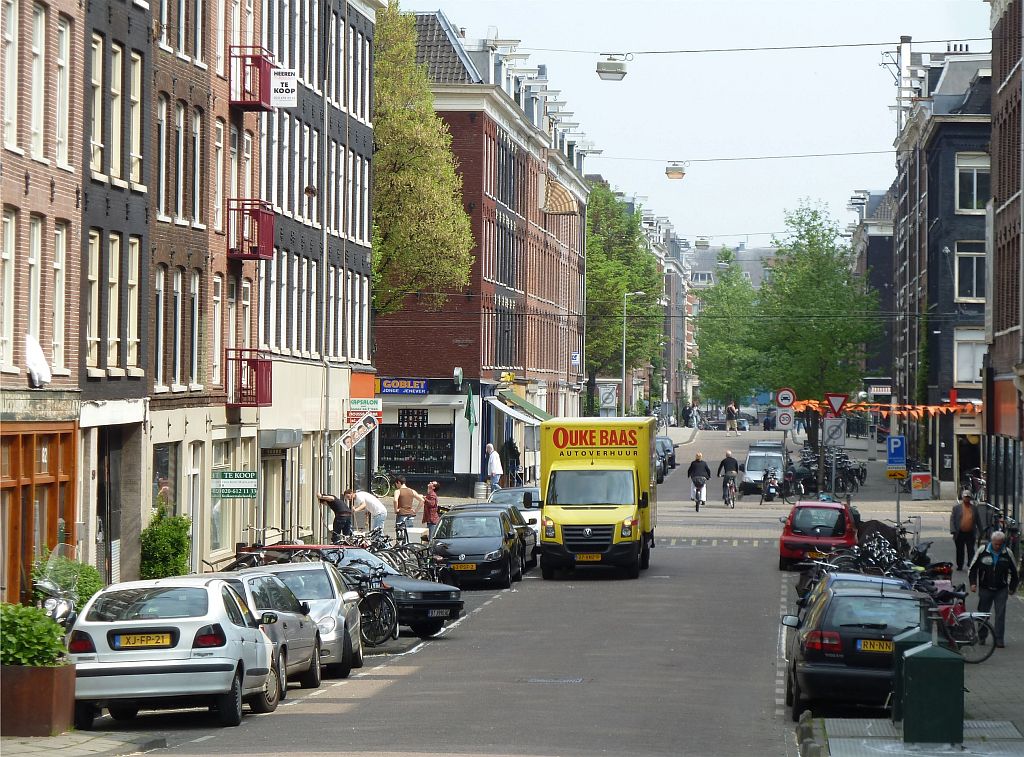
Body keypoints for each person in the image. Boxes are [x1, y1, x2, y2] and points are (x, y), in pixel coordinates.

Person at [968, 531, 1019, 648]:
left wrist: (1012, 587)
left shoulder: (1007, 553)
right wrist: (973, 583)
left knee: (1000, 614)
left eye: (999, 544)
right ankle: (982, 636)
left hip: (1001, 588)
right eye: (995, 544)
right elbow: (973, 568)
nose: (997, 546)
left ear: (1003, 543)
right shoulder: (982, 550)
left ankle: (999, 639)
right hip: (985, 587)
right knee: (982, 613)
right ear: (991, 542)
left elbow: (1015, 573)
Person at [949, 491, 981, 571]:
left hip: (970, 532)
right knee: (960, 550)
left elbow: (978, 520)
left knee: (971, 550)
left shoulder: (974, 508)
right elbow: (952, 520)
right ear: (962, 497)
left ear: (970, 498)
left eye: (968, 497)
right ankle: (960, 565)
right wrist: (953, 530)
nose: (966, 498)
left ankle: (971, 563)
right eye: (965, 497)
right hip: (959, 533)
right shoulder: (957, 508)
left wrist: (981, 531)